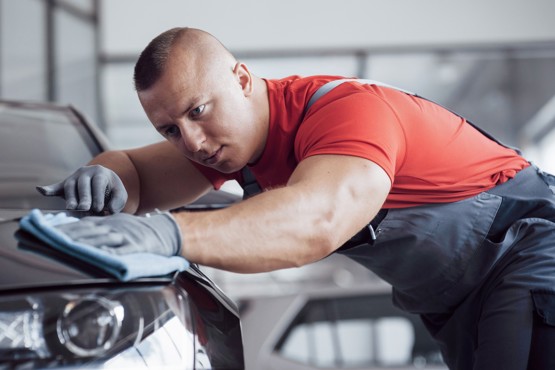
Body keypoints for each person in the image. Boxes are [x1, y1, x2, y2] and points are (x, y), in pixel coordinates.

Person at [38, 27, 555, 369]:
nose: (191, 141)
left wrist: (169, 233)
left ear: (241, 79)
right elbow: (137, 174)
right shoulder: (223, 142)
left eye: (198, 111)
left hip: (527, 255)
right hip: (454, 302)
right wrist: (103, 175)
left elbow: (318, 218)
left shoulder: (347, 114)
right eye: (170, 128)